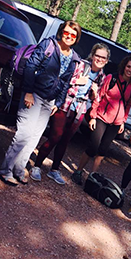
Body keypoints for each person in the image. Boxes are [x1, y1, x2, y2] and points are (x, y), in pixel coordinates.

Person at [0, 20, 81, 186]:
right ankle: (5, 170)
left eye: (73, 35)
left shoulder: (73, 58)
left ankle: (19, 169)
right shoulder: (49, 45)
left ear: (77, 37)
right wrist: (28, 91)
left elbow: (65, 82)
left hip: (49, 101)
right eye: (66, 32)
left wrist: (59, 101)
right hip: (34, 94)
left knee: (34, 137)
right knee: (24, 134)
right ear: (61, 32)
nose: (69, 37)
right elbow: (30, 66)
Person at [30, 43, 109, 184]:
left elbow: (93, 98)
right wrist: (78, 81)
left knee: (65, 140)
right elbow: (64, 78)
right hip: (65, 104)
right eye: (97, 55)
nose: (99, 59)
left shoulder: (101, 76)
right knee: (55, 136)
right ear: (92, 55)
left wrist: (94, 93)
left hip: (80, 109)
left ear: (107, 60)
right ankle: (36, 166)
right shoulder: (81, 65)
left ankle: (54, 170)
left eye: (103, 57)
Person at [71, 56, 131, 185]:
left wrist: (123, 121)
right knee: (93, 147)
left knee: (103, 150)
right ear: (124, 66)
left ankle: (92, 178)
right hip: (101, 117)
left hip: (116, 122)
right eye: (128, 67)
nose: (130, 70)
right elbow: (99, 97)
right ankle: (78, 171)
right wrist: (92, 116)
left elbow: (128, 104)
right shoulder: (112, 78)